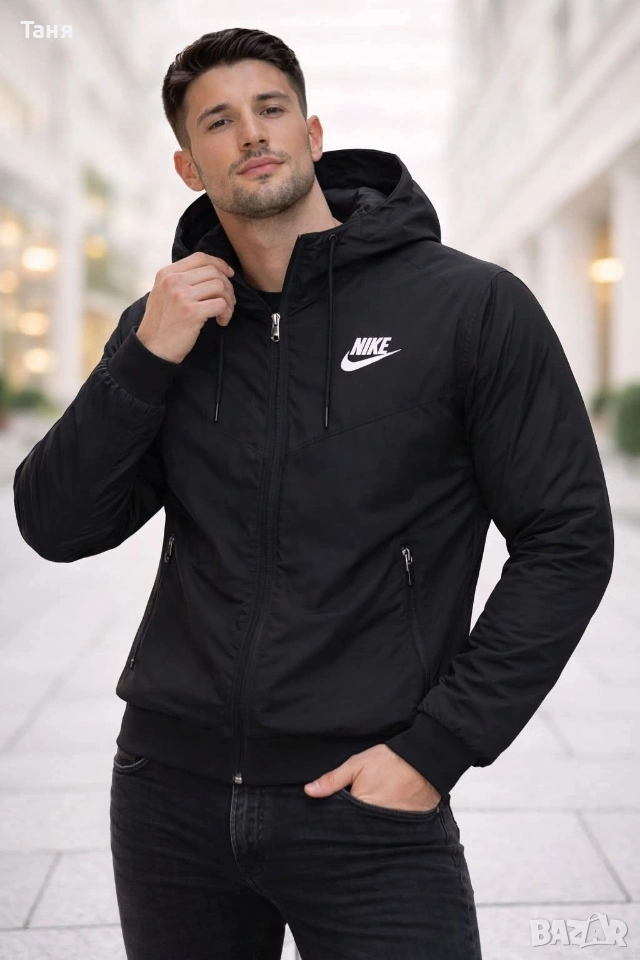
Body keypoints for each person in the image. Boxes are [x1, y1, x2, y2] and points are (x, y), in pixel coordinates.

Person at [13, 25, 614, 960]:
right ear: (187, 165)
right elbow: (56, 524)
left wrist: (436, 749)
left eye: (271, 108)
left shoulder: (470, 307)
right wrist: (146, 356)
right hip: (169, 798)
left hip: (370, 808)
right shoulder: (168, 326)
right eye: (219, 120)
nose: (252, 132)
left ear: (313, 133)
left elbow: (568, 539)